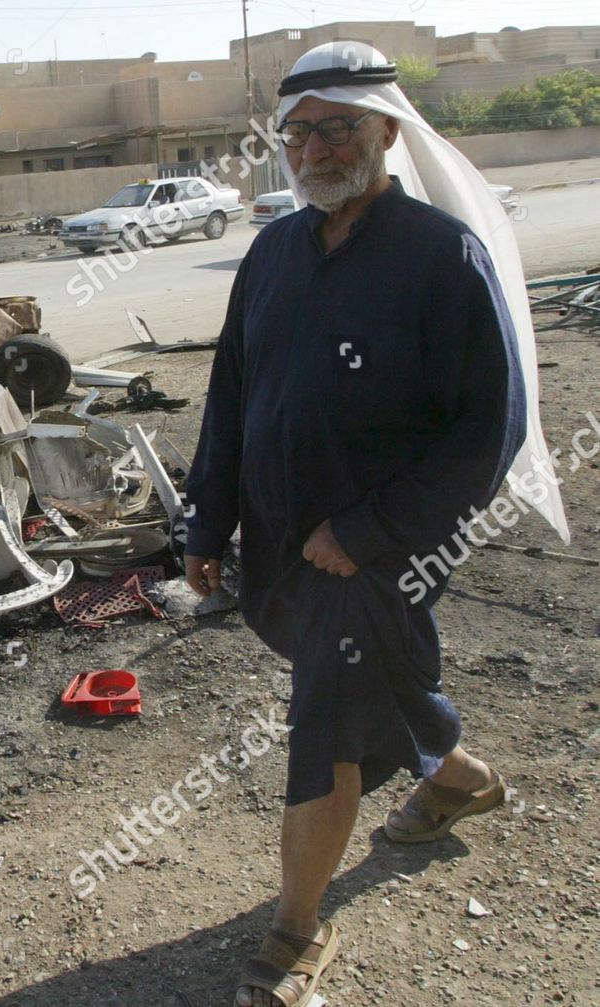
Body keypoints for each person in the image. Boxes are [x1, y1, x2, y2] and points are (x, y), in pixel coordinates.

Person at [182, 42, 564, 1007]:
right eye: (298, 132)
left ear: (387, 129)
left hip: (379, 553)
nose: (314, 149)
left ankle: (295, 929)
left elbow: (491, 428)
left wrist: (369, 529)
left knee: (327, 725)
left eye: (338, 127)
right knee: (386, 681)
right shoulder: (271, 253)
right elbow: (232, 396)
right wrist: (205, 519)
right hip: (280, 546)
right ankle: (457, 779)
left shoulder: (441, 256)